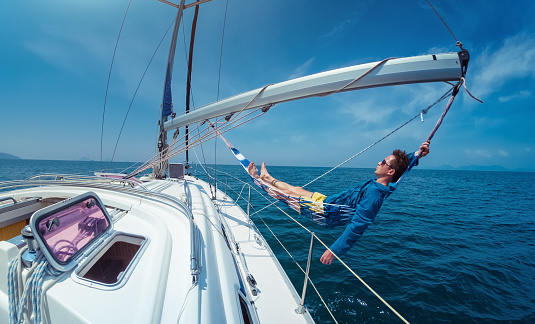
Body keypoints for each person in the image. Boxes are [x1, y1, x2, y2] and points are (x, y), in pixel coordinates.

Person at [247, 140, 430, 265]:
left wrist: (334, 251)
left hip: (324, 213)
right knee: (296, 189)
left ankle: (258, 179)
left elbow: (357, 226)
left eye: (383, 162)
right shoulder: (388, 182)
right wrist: (416, 154)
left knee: (285, 195)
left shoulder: (374, 195)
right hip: (328, 202)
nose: (378, 162)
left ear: (389, 172)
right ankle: (267, 177)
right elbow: (402, 171)